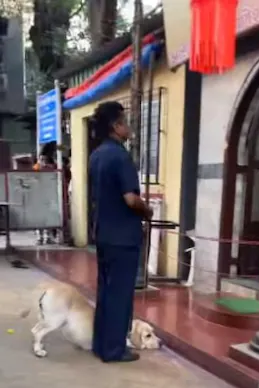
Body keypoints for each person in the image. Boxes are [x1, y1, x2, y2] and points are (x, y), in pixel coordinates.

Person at [88, 101, 152, 363]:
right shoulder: (120, 156)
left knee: (105, 292)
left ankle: (100, 344)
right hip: (123, 238)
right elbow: (130, 199)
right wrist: (147, 210)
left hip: (103, 234)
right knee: (120, 295)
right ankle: (114, 350)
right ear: (116, 126)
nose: (129, 127)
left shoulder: (96, 155)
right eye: (126, 122)